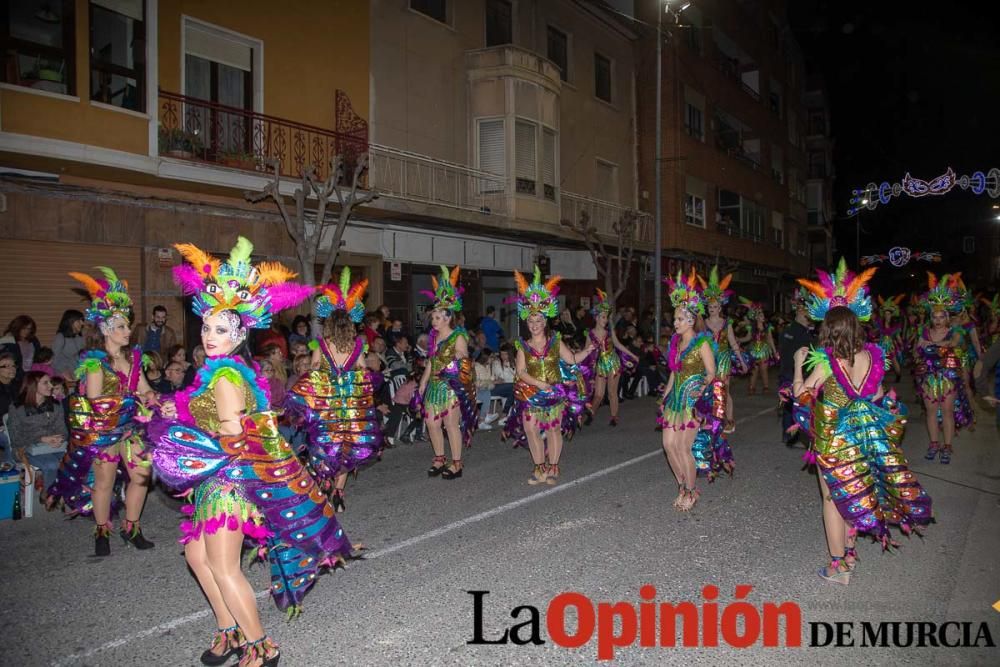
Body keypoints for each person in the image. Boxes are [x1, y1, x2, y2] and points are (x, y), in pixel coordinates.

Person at [150, 236, 355, 667]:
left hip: (229, 482)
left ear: (240, 332)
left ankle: (261, 646)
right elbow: (210, 417)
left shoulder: (226, 374)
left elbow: (231, 436)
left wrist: (180, 449)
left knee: (224, 567)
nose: (209, 335)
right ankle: (228, 630)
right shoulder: (216, 372)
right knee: (196, 556)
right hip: (214, 481)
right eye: (206, 326)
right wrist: (179, 408)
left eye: (220, 329)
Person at [793, 259, 932, 585]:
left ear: (827, 329)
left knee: (831, 498)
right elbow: (878, 396)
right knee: (854, 492)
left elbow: (801, 395)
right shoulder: (873, 356)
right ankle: (851, 552)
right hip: (863, 437)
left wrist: (799, 364)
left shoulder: (827, 361)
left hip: (832, 439)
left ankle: (838, 565)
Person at [46, 268, 157, 556]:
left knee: (141, 475)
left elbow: (144, 387)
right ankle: (102, 530)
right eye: (121, 327)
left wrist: (153, 397)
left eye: (127, 326)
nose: (128, 331)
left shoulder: (134, 357)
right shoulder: (95, 363)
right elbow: (96, 400)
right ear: (106, 329)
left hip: (131, 427)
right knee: (104, 482)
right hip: (104, 431)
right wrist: (131, 399)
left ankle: (131, 527)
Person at [285, 268, 382, 511]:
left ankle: (325, 485)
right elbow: (362, 372)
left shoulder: (322, 344)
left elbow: (314, 371)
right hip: (349, 406)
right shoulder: (357, 345)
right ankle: (339, 491)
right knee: (347, 447)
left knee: (325, 446)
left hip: (327, 407)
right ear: (350, 324)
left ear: (329, 323)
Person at [502, 267, 592, 484]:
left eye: (538, 321)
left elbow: (570, 360)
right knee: (530, 429)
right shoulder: (522, 345)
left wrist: (587, 352)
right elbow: (521, 372)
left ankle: (553, 467)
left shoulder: (555, 342)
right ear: (527, 322)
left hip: (553, 393)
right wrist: (538, 383)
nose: (534, 325)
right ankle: (539, 468)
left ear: (545, 322)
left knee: (553, 431)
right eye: (531, 321)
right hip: (531, 393)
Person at [658, 270, 731, 512]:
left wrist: (699, 393)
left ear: (690, 320)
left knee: (683, 447)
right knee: (668, 445)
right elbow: (673, 372)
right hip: (675, 400)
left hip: (692, 402)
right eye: (675, 319)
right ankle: (682, 486)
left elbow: (711, 373)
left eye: (679, 319)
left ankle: (691, 491)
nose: (675, 323)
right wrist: (665, 395)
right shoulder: (675, 343)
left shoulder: (702, 343)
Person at [417, 265, 478, 479]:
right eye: (433, 317)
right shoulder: (434, 338)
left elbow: (462, 356)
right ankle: (439, 458)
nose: (432, 321)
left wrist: (456, 359)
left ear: (447, 318)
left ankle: (457, 463)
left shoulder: (457, 336)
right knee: (431, 422)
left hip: (451, 386)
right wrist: (424, 382)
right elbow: (431, 361)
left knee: (451, 424)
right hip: (434, 385)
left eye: (436, 317)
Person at [914, 272, 972, 464]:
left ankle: (947, 446)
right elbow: (916, 350)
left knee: (947, 411)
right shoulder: (924, 331)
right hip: (928, 376)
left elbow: (953, 344)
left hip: (948, 375)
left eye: (941, 316)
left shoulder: (954, 331)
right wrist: (919, 348)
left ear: (947, 317)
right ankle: (933, 444)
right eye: (935, 316)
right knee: (931, 411)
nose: (938, 320)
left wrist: (932, 346)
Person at [699, 266, 747, 433]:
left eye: (714, 307)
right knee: (710, 389)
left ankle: (730, 419)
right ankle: (713, 418)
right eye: (709, 307)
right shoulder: (703, 324)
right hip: (709, 358)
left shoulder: (727, 323)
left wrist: (741, 361)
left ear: (720, 307)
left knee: (724, 389)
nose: (711, 309)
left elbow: (733, 343)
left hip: (724, 359)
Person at [585, 289, 638, 426]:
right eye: (603, 317)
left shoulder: (609, 332)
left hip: (613, 362)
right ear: (596, 318)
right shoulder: (590, 334)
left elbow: (618, 345)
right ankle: (591, 413)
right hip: (601, 364)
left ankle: (614, 417)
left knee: (612, 392)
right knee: (598, 394)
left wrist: (633, 355)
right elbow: (585, 351)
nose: (605, 319)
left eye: (606, 317)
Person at [7, 371, 67, 488]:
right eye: (46, 383)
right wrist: (41, 438)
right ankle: (49, 495)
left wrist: (59, 438)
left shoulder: (55, 405)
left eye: (50, 382)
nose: (51, 386)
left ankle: (55, 490)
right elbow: (15, 438)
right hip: (25, 447)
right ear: (33, 385)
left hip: (52, 446)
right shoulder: (17, 407)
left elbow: (63, 430)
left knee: (75, 461)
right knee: (52, 464)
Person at [778, 289, 815, 446]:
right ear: (799, 312)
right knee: (790, 404)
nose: (807, 315)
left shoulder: (802, 331)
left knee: (796, 404)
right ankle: (790, 434)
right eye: (804, 310)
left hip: (798, 372)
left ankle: (795, 434)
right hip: (791, 372)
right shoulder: (792, 330)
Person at [738, 298, 777, 394]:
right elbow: (748, 338)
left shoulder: (767, 326)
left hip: (764, 350)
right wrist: (738, 340)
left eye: (763, 314)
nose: (763, 316)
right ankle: (751, 387)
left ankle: (766, 387)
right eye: (760, 314)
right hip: (753, 350)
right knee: (754, 370)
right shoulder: (752, 327)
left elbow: (770, 339)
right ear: (756, 317)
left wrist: (774, 351)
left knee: (764, 369)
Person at [874, 294, 906, 382]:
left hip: (891, 345)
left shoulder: (895, 325)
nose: (887, 315)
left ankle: (898, 375)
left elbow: (898, 337)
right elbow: (876, 332)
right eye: (886, 314)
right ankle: (880, 378)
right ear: (884, 314)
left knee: (894, 360)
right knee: (880, 361)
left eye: (889, 314)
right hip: (881, 344)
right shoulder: (880, 323)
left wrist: (901, 344)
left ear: (892, 315)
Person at [0, 315, 40, 380]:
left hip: (31, 375)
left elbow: (38, 357)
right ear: (18, 327)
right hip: (15, 376)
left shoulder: (34, 340)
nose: (26, 331)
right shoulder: (10, 339)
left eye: (29, 329)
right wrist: (7, 337)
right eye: (24, 328)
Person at [51, 309, 86, 380]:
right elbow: (54, 359)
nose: (82, 323)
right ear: (70, 321)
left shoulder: (80, 338)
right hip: (66, 377)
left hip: (79, 375)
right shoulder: (60, 337)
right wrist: (64, 372)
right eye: (79, 320)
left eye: (82, 321)